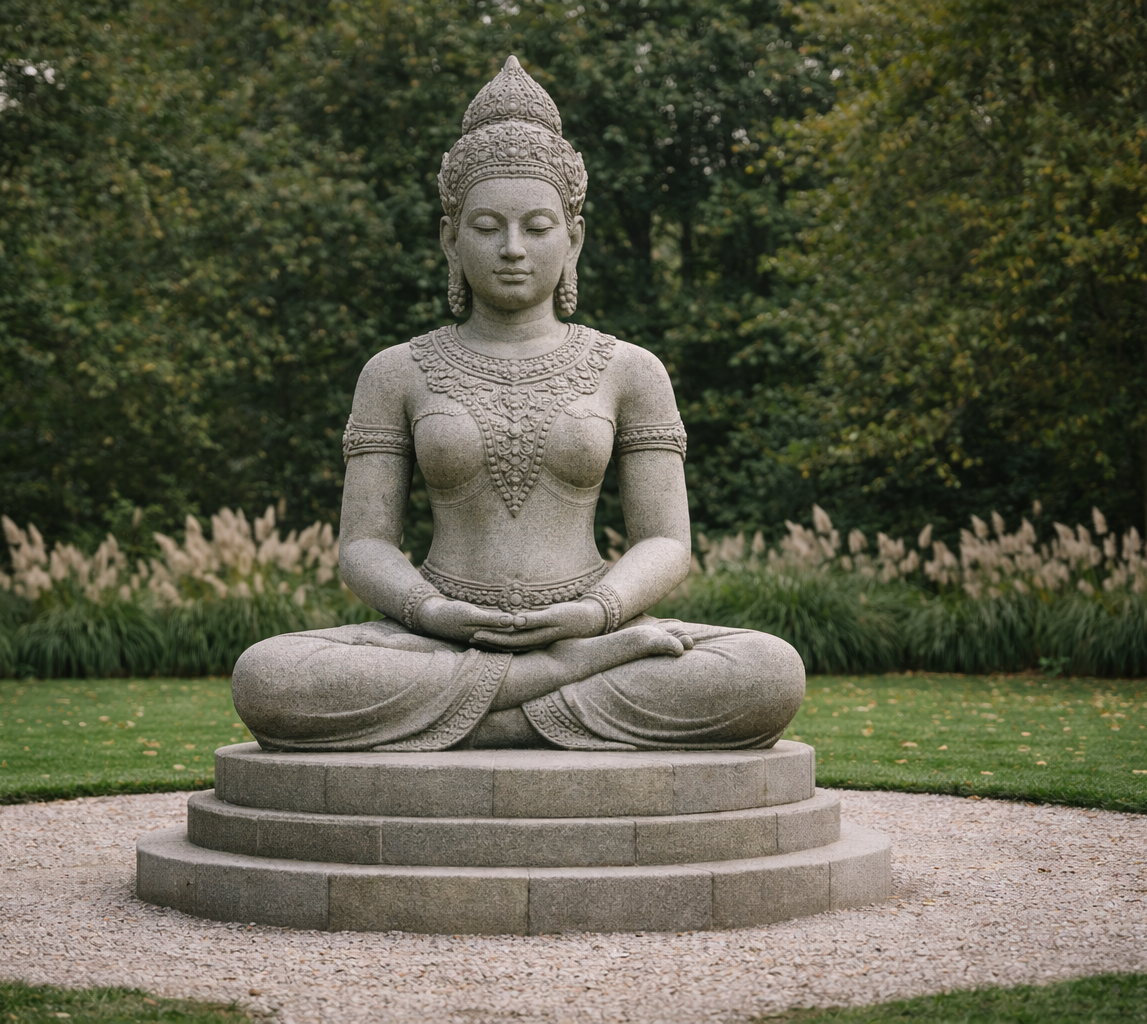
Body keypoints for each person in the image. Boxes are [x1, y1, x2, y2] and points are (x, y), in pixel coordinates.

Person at [232, 57, 804, 751]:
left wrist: (597, 614)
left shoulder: (629, 368)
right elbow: (363, 546)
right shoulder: (396, 372)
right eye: (485, 227)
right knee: (270, 676)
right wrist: (431, 610)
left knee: (767, 671)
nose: (511, 249)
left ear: (574, 239)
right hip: (437, 636)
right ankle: (556, 685)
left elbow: (666, 542)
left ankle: (486, 708)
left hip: (592, 624)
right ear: (451, 238)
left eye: (536, 227)